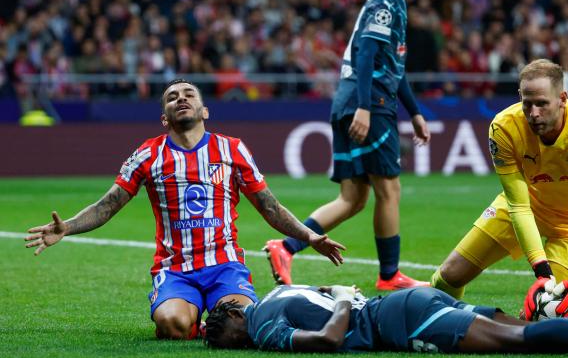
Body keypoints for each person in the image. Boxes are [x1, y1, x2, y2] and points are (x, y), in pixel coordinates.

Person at [24, 79, 345, 340]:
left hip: (225, 265)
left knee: (244, 324)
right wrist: (67, 227)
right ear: (164, 117)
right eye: (172, 96)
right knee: (172, 325)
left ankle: (211, 318)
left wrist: (308, 236)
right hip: (175, 269)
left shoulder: (232, 149)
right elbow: (108, 205)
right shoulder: (148, 155)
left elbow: (270, 206)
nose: (181, 98)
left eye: (189, 94)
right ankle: (192, 322)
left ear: (204, 110)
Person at [264, 0, 433, 291]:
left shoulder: (393, 3)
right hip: (369, 103)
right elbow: (368, 54)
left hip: (353, 100)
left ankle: (286, 246)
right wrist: (366, 107)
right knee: (390, 190)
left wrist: (415, 112)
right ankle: (390, 276)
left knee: (353, 199)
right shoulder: (387, 3)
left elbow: (393, 67)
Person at [430, 59, 568, 320]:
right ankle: (444, 324)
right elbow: (519, 206)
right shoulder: (503, 128)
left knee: (543, 317)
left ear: (562, 99)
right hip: (526, 206)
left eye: (542, 104)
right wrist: (542, 271)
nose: (533, 113)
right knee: (447, 279)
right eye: (527, 103)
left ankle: (498, 331)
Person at [204, 284, 568, 353]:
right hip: (410, 300)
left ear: (231, 314)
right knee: (518, 327)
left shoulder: (261, 325)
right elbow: (328, 297)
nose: (220, 342)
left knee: (517, 338)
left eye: (216, 333)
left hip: (399, 322)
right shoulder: (281, 290)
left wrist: (343, 298)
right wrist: (342, 294)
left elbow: (328, 337)